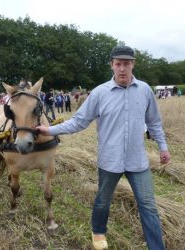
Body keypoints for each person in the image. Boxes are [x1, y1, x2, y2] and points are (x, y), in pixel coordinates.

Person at [37, 45, 170, 250]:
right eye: (118, 64)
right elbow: (78, 122)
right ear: (112, 66)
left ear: (133, 64)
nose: (123, 69)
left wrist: (163, 147)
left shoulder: (144, 90)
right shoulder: (100, 93)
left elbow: (154, 122)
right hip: (110, 159)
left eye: (127, 64)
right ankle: (98, 232)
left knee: (149, 206)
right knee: (103, 201)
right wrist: (49, 131)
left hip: (138, 160)